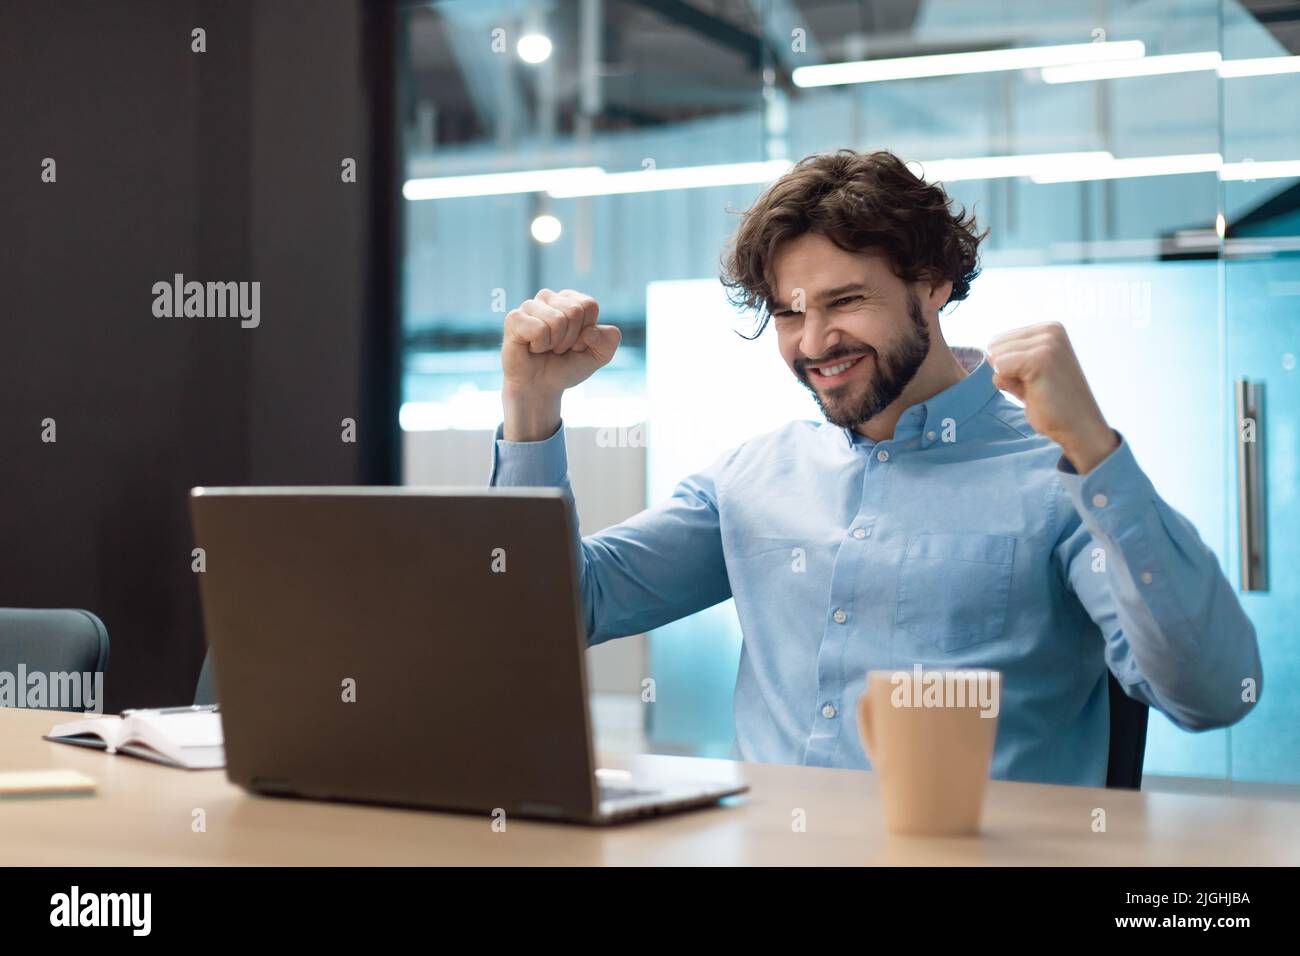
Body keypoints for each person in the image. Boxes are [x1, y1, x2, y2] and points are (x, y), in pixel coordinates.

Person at [488, 148, 1261, 786]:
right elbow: (547, 614)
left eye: (844, 301)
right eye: (789, 311)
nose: (813, 341)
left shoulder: (1059, 482)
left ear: (933, 283)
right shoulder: (754, 480)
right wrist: (531, 407)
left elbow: (1212, 693)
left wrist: (1096, 451)